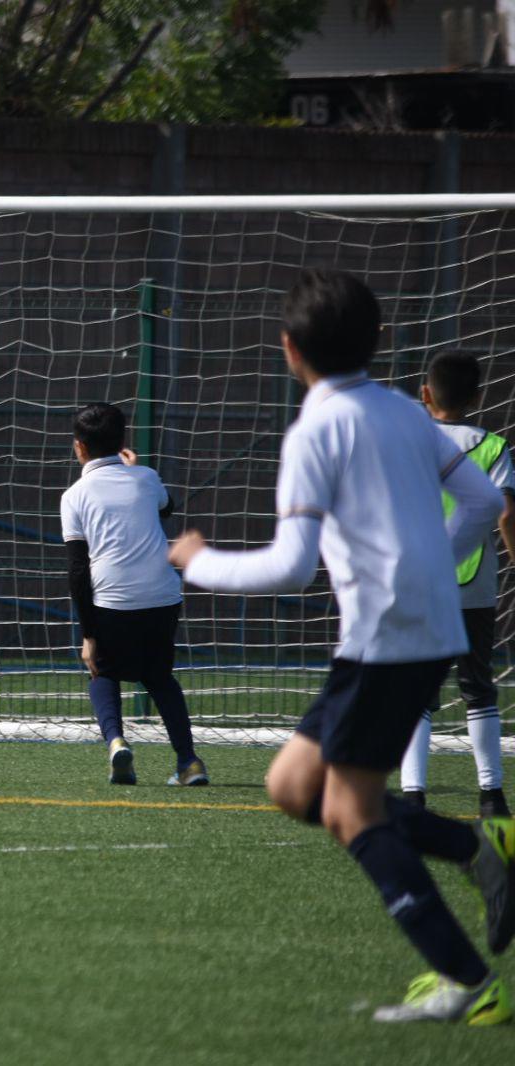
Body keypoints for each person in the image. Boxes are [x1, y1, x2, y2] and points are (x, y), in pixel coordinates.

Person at [168, 268, 513, 1025]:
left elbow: (291, 567)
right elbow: (485, 501)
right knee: (295, 788)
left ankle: (468, 980)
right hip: (411, 632)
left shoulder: (316, 430)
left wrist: (197, 561)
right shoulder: (403, 412)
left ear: (289, 349)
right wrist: (430, 562)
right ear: (378, 341)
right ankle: (479, 850)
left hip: (389, 638)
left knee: (350, 813)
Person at [60, 402, 203, 786]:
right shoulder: (147, 477)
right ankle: (189, 763)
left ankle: (117, 742)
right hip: (163, 596)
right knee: (159, 677)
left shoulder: (74, 495)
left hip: (111, 601)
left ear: (79, 447)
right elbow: (167, 507)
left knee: (103, 671)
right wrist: (134, 469)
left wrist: (88, 635)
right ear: (122, 441)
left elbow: (78, 570)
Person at [399, 349, 514, 818]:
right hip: (474, 586)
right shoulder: (493, 446)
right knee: (478, 687)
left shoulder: (406, 445)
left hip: (417, 581)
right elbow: (505, 514)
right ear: (477, 397)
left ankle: (413, 794)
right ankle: (492, 795)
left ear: (425, 394)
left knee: (416, 691)